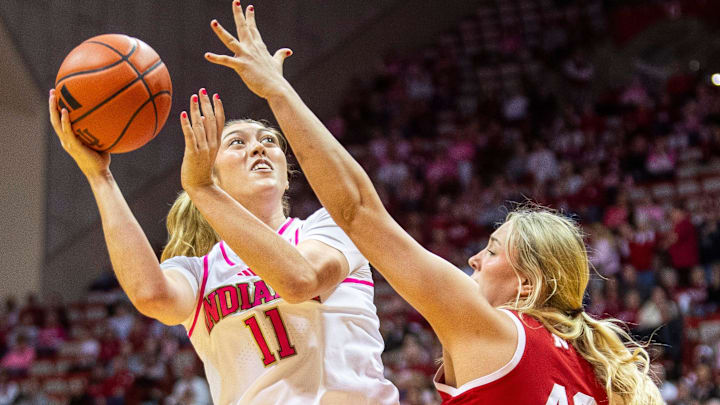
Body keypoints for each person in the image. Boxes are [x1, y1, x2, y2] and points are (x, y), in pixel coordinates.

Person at [203, 3, 664, 403]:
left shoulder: (496, 333)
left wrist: (277, 92)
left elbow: (357, 211)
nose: (474, 258)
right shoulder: (600, 374)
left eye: (492, 250)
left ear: (527, 285)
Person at [49, 43, 397, 405]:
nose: (258, 148)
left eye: (268, 141)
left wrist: (203, 189)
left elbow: (300, 279)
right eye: (237, 143)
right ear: (213, 174)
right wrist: (100, 177)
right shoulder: (200, 273)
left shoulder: (329, 227)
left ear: (286, 174)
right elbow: (150, 295)